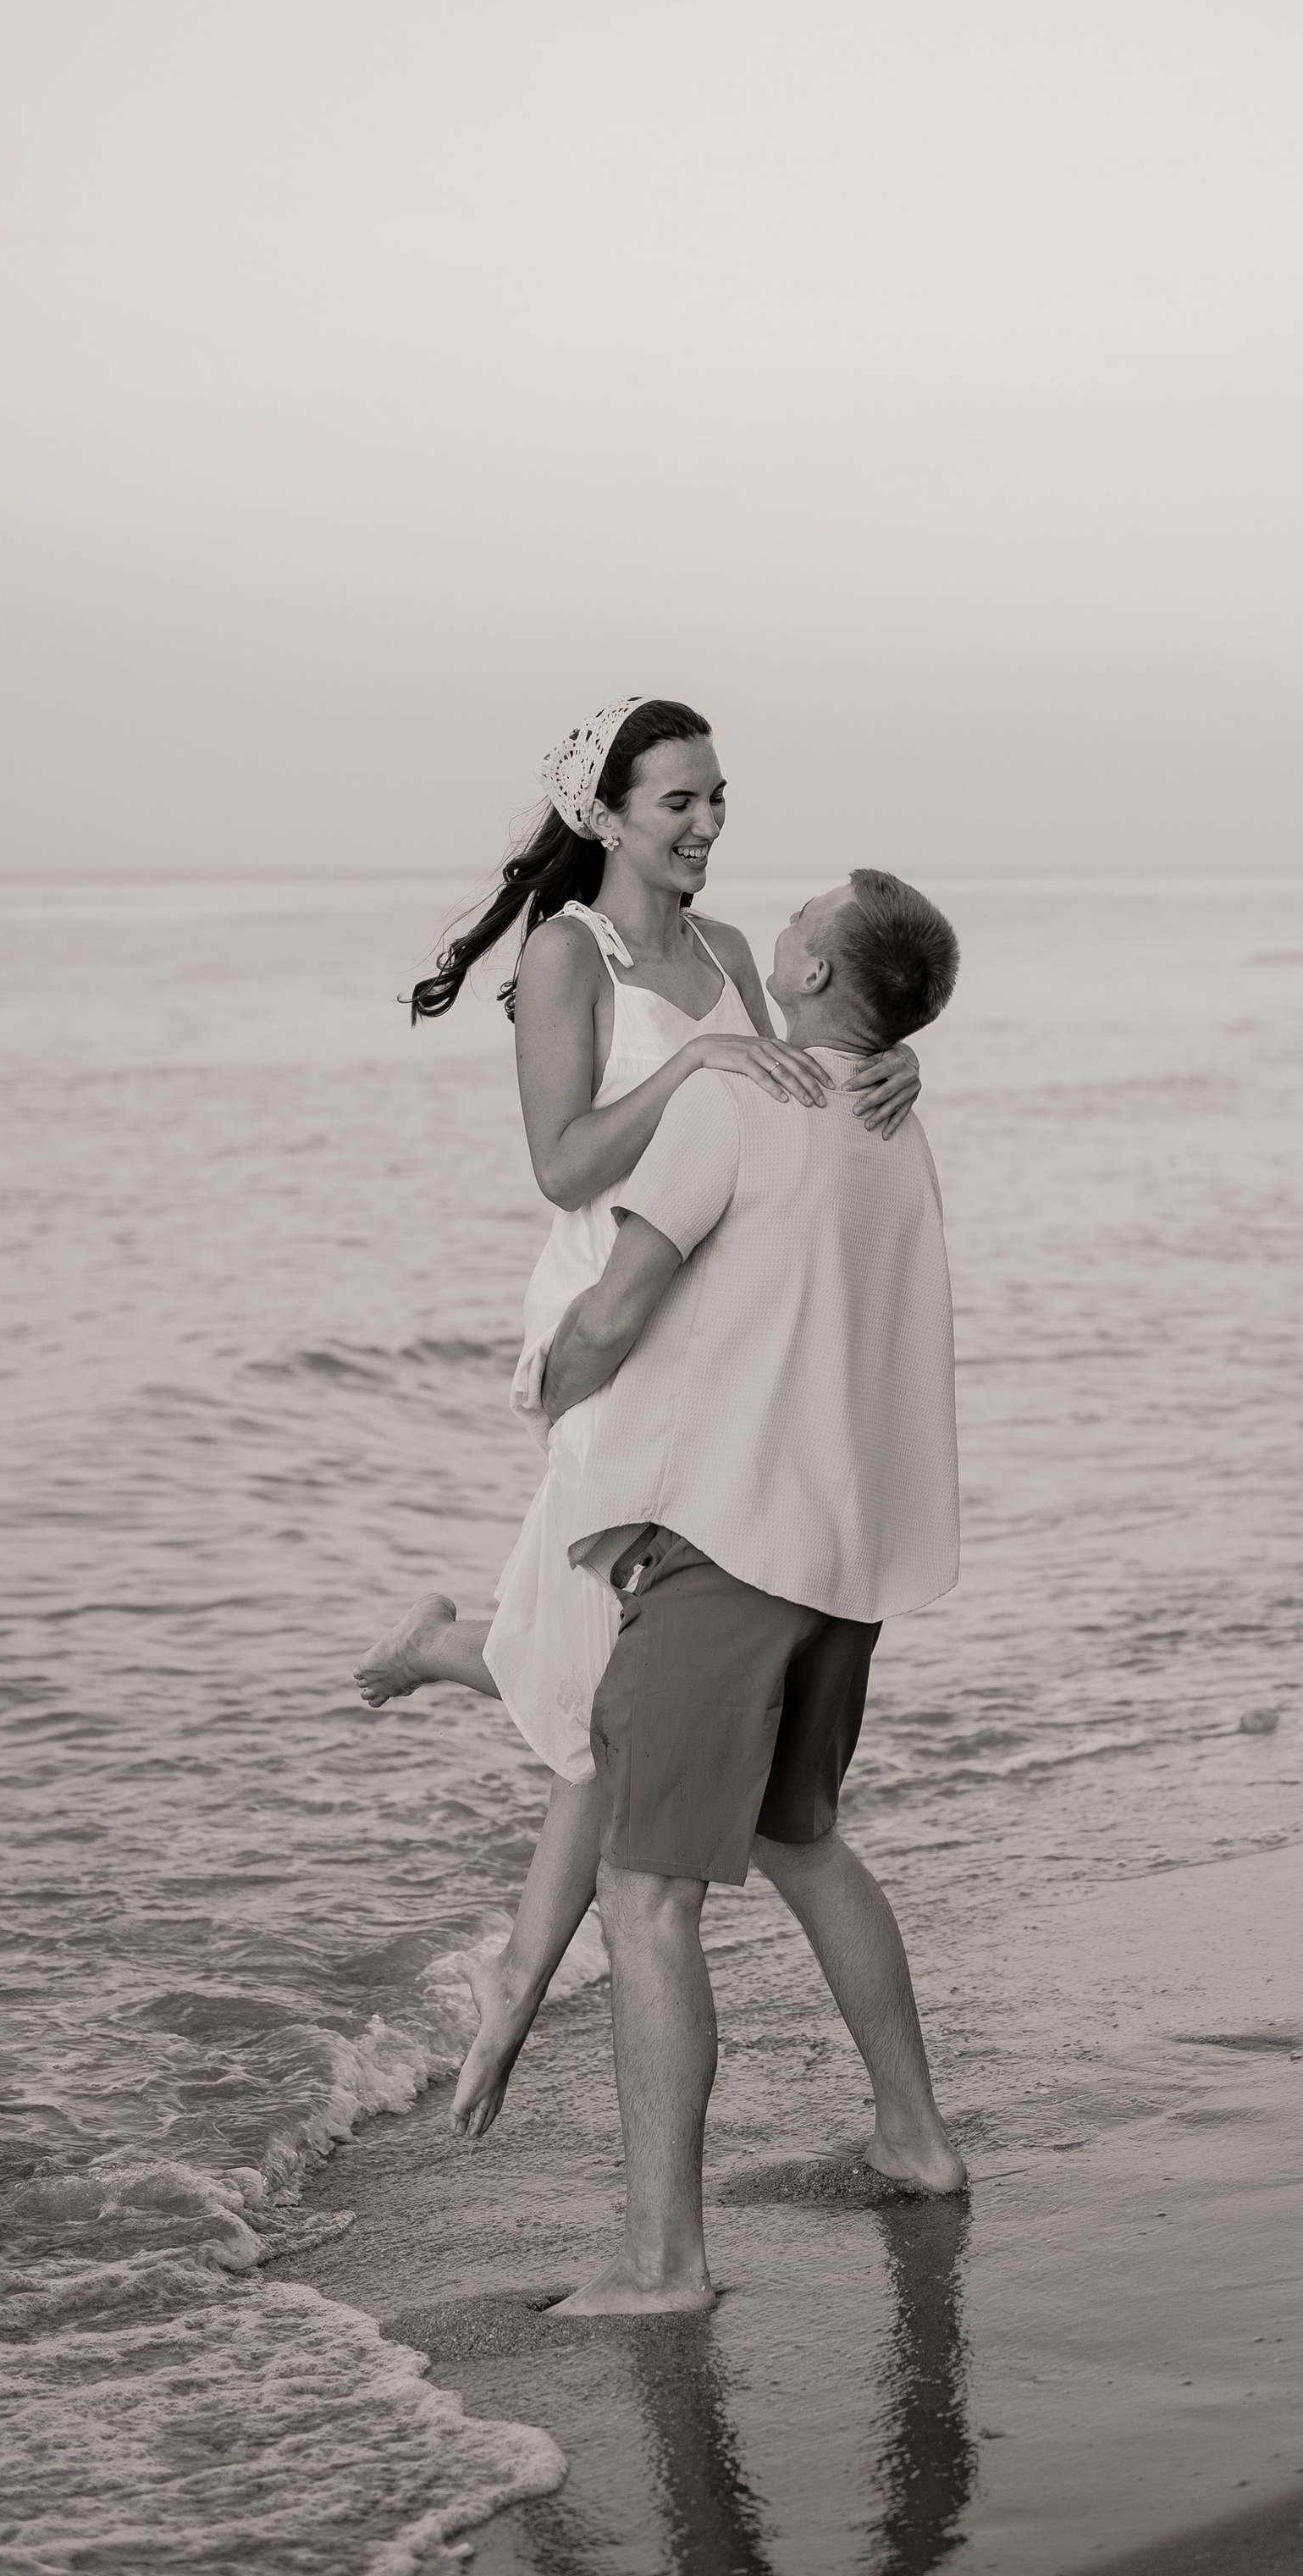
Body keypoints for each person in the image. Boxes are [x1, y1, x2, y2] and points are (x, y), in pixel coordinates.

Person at [351, 697, 920, 2132]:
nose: (709, 827)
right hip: (614, 1312)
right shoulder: (567, 954)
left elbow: (807, 1066)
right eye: (677, 802)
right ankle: (513, 1975)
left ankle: (506, 1958)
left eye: (720, 799)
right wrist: (689, 1066)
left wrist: (897, 1063)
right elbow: (560, 1165)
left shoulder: (734, 950)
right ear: (607, 814)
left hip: (711, 1331)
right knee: (616, 1705)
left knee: (617, 1705)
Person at [533, 867, 968, 2316]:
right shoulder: (897, 1121)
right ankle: (915, 2137)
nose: (776, 925)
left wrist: (550, 1391)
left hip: (727, 1544)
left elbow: (615, 1306)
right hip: (844, 1552)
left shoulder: (737, 1103)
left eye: (806, 923)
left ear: (823, 981)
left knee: (646, 1892)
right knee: (804, 1836)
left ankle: (664, 2263)